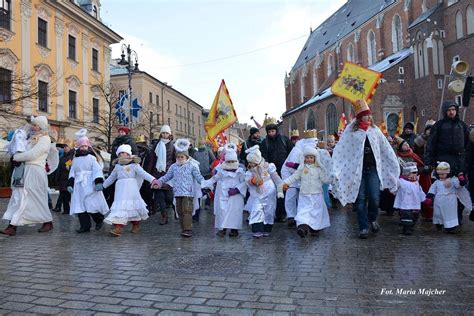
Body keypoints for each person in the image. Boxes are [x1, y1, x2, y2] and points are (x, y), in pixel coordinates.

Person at [331, 100, 400, 239]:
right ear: (359, 116)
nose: (369, 117)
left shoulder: (375, 131)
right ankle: (363, 227)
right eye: (365, 115)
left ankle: (372, 218)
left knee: (374, 197)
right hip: (357, 171)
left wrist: (393, 162)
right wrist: (336, 167)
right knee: (361, 199)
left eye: (369, 115)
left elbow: (385, 148)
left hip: (373, 169)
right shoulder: (351, 131)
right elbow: (342, 150)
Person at [1, 116, 54, 236]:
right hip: (26, 170)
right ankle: (14, 225)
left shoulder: (45, 139)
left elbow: (33, 154)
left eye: (36, 125)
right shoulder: (31, 138)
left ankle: (14, 226)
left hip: (35, 170)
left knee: (33, 197)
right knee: (21, 197)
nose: (33, 127)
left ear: (41, 126)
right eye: (33, 125)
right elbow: (23, 150)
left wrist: (17, 157)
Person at [424, 100, 469, 224]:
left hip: (459, 160)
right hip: (443, 160)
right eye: (449, 110)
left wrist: (466, 160)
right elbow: (431, 145)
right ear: (445, 111)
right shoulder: (439, 125)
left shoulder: (462, 125)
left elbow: (467, 144)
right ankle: (443, 217)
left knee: (460, 187)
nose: (452, 112)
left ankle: (457, 216)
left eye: (453, 109)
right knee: (444, 189)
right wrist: (428, 162)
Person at [103, 144, 160, 237]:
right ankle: (118, 227)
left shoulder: (134, 165)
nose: (121, 155)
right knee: (120, 207)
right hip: (120, 190)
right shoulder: (117, 167)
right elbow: (111, 178)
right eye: (120, 153)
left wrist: (153, 180)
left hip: (131, 189)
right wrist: (103, 185)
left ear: (128, 154)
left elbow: (143, 174)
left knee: (133, 206)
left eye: (124, 153)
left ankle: (136, 224)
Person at [157, 139, 205, 237]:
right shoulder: (174, 167)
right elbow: (167, 176)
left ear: (186, 157)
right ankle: (184, 228)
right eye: (178, 157)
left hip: (188, 193)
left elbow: (199, 177)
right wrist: (159, 181)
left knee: (187, 211)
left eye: (182, 156)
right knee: (179, 211)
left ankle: (188, 229)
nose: (180, 158)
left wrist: (207, 183)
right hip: (178, 193)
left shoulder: (191, 166)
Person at [280, 145, 331, 238]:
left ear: (315, 158)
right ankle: (303, 228)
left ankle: (315, 229)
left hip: (316, 195)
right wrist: (285, 182)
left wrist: (333, 179)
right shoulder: (301, 168)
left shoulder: (319, 169)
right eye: (307, 157)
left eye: (311, 158)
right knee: (303, 212)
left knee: (316, 212)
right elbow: (294, 177)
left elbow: (325, 179)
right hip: (304, 195)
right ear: (304, 158)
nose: (309, 160)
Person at [67, 136, 109, 233]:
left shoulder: (92, 158)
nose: (83, 148)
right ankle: (85, 226)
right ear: (78, 147)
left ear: (88, 147)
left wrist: (98, 181)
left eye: (85, 146)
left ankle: (99, 219)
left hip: (90, 184)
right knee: (80, 205)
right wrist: (70, 183)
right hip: (79, 185)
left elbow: (97, 170)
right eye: (82, 146)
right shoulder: (75, 159)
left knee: (91, 204)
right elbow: (72, 172)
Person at [202, 148, 247, 237]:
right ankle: (222, 229)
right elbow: (213, 179)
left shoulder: (240, 172)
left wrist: (237, 190)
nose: (230, 164)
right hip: (223, 194)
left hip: (235, 196)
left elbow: (245, 183)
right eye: (228, 161)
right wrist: (203, 184)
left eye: (232, 161)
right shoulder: (222, 171)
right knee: (222, 211)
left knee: (235, 212)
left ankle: (234, 230)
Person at [281, 130, 318, 228]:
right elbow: (290, 166)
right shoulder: (297, 150)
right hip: (289, 174)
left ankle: (302, 216)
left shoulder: (310, 150)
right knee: (291, 195)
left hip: (301, 175)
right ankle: (291, 216)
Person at [244, 145, 283, 238]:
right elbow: (247, 180)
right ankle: (257, 229)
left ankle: (267, 228)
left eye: (253, 162)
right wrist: (252, 181)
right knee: (256, 209)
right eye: (250, 162)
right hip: (257, 193)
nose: (251, 165)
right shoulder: (250, 171)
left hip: (269, 192)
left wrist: (280, 188)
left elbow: (276, 178)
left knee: (269, 210)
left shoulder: (268, 167)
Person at [260, 123, 294, 222]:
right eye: (269, 132)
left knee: (284, 191)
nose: (271, 133)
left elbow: (291, 152)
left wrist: (289, 164)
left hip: (285, 169)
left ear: (276, 131)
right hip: (271, 171)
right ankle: (275, 213)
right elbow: (263, 155)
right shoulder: (265, 142)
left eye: (273, 131)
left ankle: (283, 213)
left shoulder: (284, 140)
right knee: (273, 191)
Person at [425, 162, 472, 233]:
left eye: (443, 174)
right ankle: (439, 222)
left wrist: (462, 182)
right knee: (438, 212)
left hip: (450, 200)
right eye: (439, 174)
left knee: (450, 214)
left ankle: (451, 227)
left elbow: (458, 186)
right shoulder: (437, 182)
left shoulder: (453, 180)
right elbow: (432, 189)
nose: (441, 176)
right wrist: (430, 196)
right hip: (439, 200)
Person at [144, 125, 176, 224]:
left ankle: (176, 212)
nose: (165, 134)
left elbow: (175, 160)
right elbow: (152, 160)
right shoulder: (156, 145)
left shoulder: (173, 146)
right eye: (163, 133)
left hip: (168, 174)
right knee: (159, 196)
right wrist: (148, 175)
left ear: (170, 134)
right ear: (161, 134)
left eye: (167, 133)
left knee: (169, 197)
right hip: (157, 174)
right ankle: (164, 216)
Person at [390, 162, 426, 235]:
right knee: (406, 216)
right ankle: (407, 228)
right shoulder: (401, 181)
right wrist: (393, 180)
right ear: (407, 173)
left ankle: (411, 226)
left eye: (416, 173)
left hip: (415, 204)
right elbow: (395, 186)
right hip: (405, 204)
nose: (415, 175)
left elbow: (420, 191)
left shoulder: (416, 182)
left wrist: (425, 199)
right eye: (413, 173)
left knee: (415, 216)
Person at [53, 140, 75, 214]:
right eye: (64, 147)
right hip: (62, 178)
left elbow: (70, 166)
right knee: (63, 195)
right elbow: (60, 168)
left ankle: (70, 209)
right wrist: (57, 178)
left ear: (70, 147)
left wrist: (69, 166)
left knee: (67, 195)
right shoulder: (63, 157)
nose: (65, 148)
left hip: (68, 179)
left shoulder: (72, 156)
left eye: (66, 146)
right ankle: (66, 210)